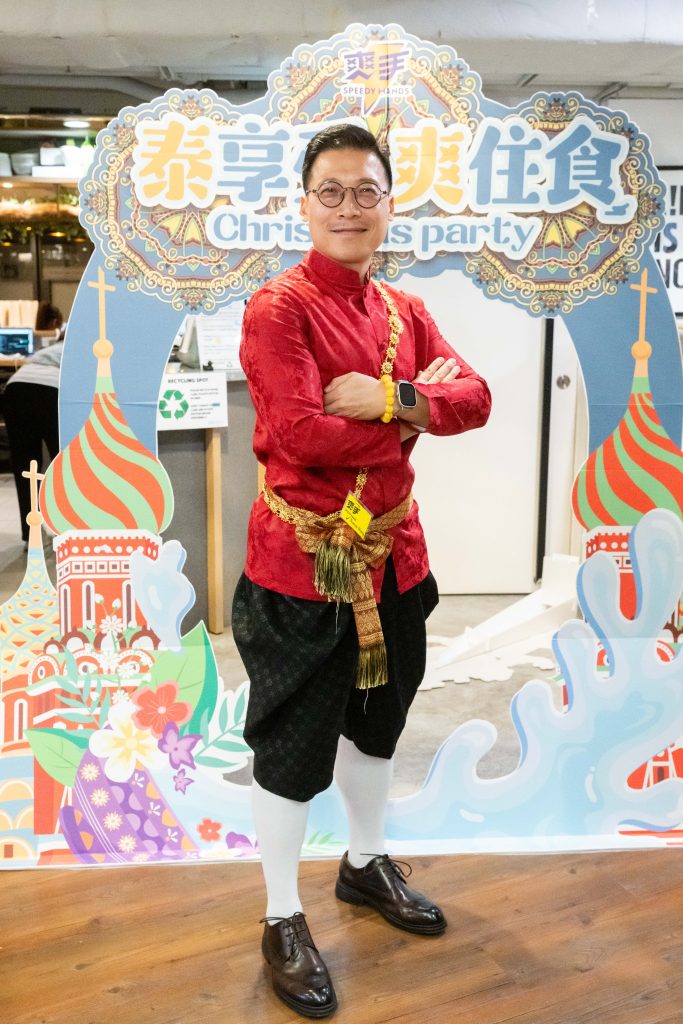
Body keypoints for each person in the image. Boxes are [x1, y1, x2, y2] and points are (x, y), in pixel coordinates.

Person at [232, 123, 492, 1019]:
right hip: (302, 568)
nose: (349, 207)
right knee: (292, 746)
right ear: (303, 204)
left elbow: (476, 398)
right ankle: (280, 913)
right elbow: (300, 432)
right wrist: (417, 419)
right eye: (331, 191)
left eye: (365, 191)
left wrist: (389, 396)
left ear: (388, 204)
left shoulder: (404, 312)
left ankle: (362, 862)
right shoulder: (278, 309)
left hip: (395, 560)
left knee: (380, 723)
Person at [2, 323, 63, 545]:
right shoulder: (83, 350)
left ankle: (31, 536)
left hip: (16, 390)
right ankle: (65, 530)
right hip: (52, 392)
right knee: (62, 464)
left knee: (25, 467)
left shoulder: (47, 351)